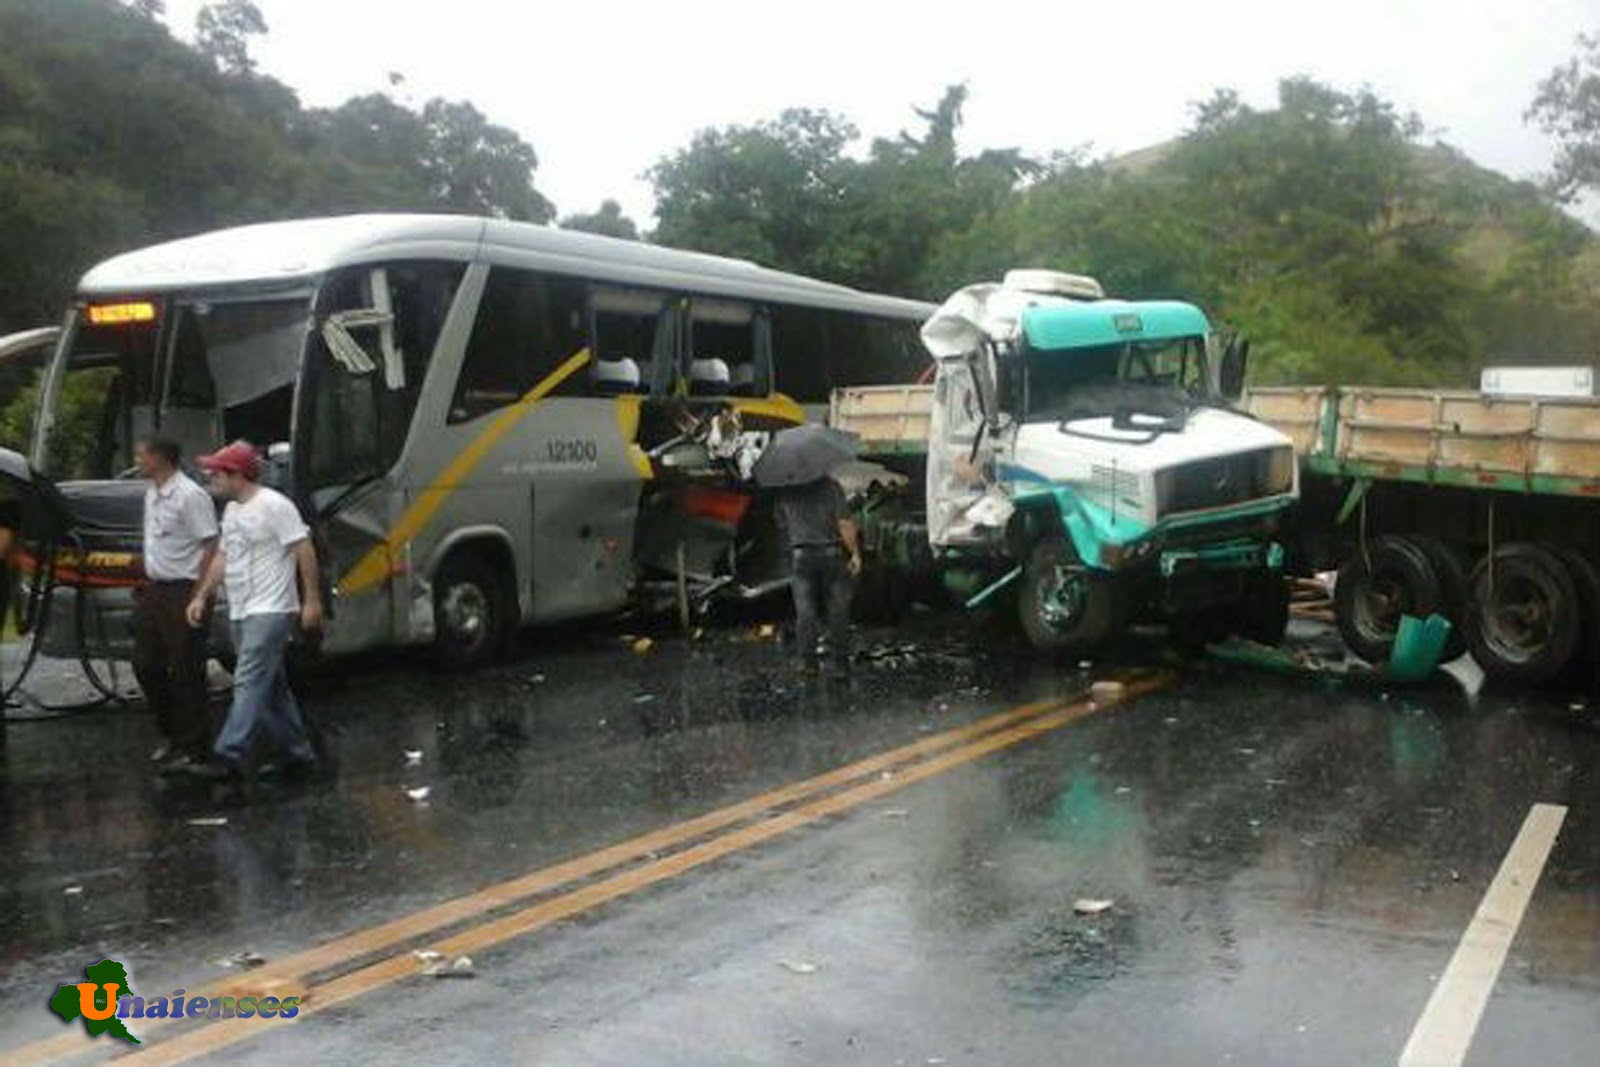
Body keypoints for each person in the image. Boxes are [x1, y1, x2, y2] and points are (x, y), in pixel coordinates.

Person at [185, 441, 323, 779]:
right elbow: (223, 557)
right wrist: (203, 594)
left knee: (247, 679)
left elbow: (304, 549)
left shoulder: (275, 505)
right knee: (271, 685)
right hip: (241, 609)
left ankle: (228, 754)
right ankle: (297, 753)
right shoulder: (232, 512)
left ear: (237, 475)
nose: (211, 479)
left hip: (271, 609)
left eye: (217, 473)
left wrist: (312, 600)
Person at [131, 436, 219, 772]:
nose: (138, 460)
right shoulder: (152, 493)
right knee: (145, 663)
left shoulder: (189, 496)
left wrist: (200, 594)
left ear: (160, 457)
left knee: (186, 667)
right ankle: (170, 732)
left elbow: (211, 545)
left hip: (185, 588)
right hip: (155, 589)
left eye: (142, 454)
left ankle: (195, 746)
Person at [774, 475, 862, 670]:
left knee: (805, 611)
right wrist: (855, 553)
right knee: (838, 610)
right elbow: (844, 524)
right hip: (832, 554)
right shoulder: (831, 486)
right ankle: (840, 665)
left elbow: (781, 523)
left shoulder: (786, 489)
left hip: (801, 556)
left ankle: (808, 662)